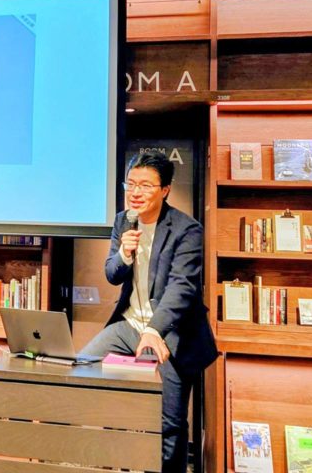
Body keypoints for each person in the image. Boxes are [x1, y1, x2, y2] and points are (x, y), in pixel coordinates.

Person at [78, 150, 218, 473]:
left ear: (165, 190)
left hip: (171, 333)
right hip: (129, 326)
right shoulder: (123, 221)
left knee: (169, 423)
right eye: (131, 184)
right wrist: (124, 255)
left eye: (145, 185)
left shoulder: (187, 230)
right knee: (82, 368)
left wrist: (154, 330)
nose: (135, 192)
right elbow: (112, 274)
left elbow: (182, 288)